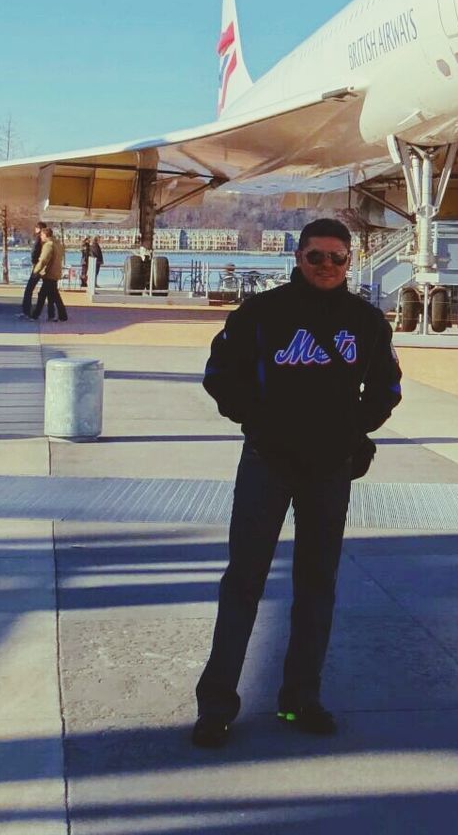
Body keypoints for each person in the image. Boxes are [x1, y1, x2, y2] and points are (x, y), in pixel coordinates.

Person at [192, 217, 401, 748]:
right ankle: (216, 706)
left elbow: (385, 389)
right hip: (267, 461)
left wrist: (353, 432)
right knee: (244, 581)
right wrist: (257, 422)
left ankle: (300, 698)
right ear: (298, 258)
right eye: (316, 257)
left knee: (317, 585)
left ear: (350, 262)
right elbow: (220, 374)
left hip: (329, 469)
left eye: (337, 257)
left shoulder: (367, 322)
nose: (327, 266)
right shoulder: (262, 314)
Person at [29, 226, 68, 322]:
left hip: (49, 273)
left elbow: (43, 260)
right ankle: (57, 315)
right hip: (56, 272)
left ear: (45, 235)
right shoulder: (58, 244)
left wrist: (36, 271)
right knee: (53, 295)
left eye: (41, 235)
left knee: (42, 295)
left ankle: (35, 315)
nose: (40, 237)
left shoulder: (48, 245)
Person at [20, 221, 47, 319]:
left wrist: (34, 262)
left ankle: (26, 311)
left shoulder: (38, 239)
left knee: (29, 289)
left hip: (38, 267)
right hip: (44, 267)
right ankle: (51, 313)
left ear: (39, 229)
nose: (34, 230)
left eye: (36, 228)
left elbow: (34, 252)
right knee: (49, 290)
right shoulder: (46, 241)